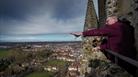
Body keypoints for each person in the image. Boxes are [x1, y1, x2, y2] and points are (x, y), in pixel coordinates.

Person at [71, 15, 136, 76]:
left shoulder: (116, 27)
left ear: (114, 20)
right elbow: (114, 43)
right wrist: (100, 47)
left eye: (107, 21)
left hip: (120, 59)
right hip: (130, 57)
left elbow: (99, 31)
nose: (106, 23)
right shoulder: (126, 27)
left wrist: (83, 33)